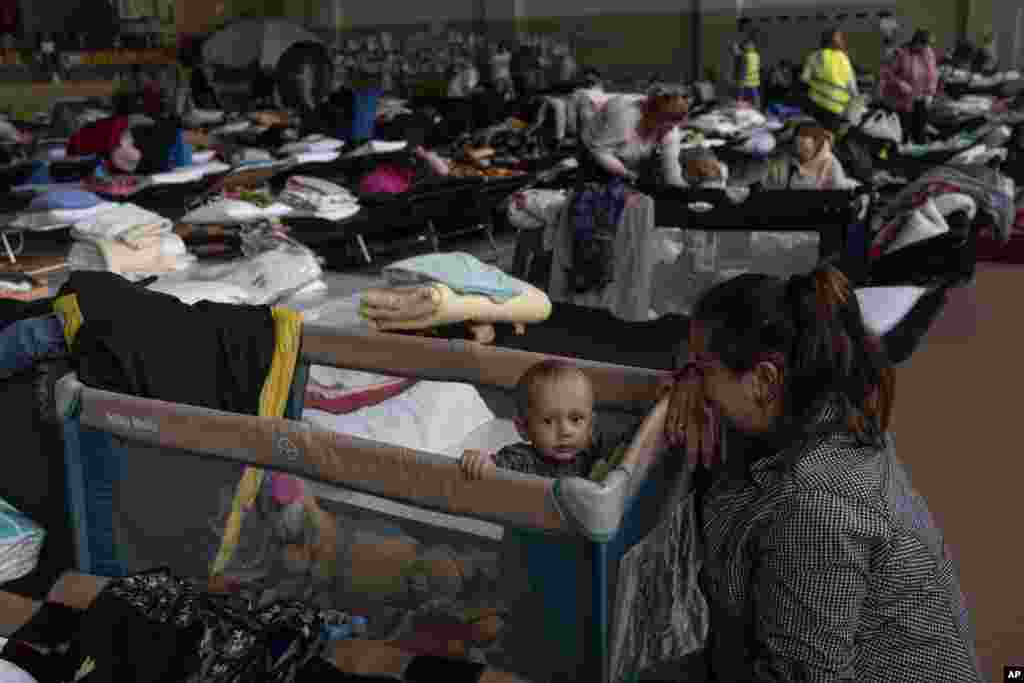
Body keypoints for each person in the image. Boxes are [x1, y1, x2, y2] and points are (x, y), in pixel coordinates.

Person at [653, 263, 983, 682]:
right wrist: (689, 375)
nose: (697, 381)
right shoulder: (817, 406)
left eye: (704, 368)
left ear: (763, 380)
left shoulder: (815, 508)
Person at [461, 359, 609, 479]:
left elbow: (620, 446)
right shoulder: (523, 460)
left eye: (576, 419)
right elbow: (495, 466)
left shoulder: (590, 449)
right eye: (548, 421)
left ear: (590, 424)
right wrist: (481, 461)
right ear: (524, 428)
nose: (565, 431)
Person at [582, 84, 689, 187]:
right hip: (593, 153)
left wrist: (680, 187)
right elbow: (600, 151)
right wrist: (625, 173)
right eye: (665, 125)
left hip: (628, 158)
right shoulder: (625, 115)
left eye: (671, 127)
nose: (669, 130)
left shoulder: (669, 127)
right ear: (652, 114)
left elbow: (672, 166)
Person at [758, 122, 860, 190]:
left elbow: (843, 184)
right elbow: (765, 181)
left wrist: (861, 192)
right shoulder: (783, 157)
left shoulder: (830, 163)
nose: (798, 142)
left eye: (804, 138)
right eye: (797, 141)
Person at [880, 29, 939, 145]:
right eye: (924, 44)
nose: (926, 48)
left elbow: (933, 74)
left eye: (927, 45)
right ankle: (903, 153)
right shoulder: (901, 52)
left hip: (921, 97)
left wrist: (931, 93)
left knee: (920, 130)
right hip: (903, 99)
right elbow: (886, 72)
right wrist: (899, 83)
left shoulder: (928, 53)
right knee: (904, 131)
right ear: (916, 42)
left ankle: (919, 155)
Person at [801, 28, 859, 131]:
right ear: (834, 41)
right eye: (840, 38)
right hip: (835, 105)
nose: (842, 40)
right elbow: (851, 83)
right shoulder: (841, 57)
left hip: (815, 103)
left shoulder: (813, 56)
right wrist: (857, 100)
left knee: (817, 132)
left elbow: (804, 79)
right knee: (831, 134)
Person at [735, 34, 761, 108]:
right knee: (753, 99)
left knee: (743, 98)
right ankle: (755, 108)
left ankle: (745, 107)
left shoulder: (747, 56)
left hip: (746, 80)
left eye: (748, 45)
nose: (747, 46)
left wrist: (741, 79)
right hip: (752, 80)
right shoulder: (755, 55)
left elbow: (744, 67)